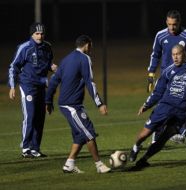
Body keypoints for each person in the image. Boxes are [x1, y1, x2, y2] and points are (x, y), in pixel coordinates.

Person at [45, 35, 111, 174]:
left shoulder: (66, 59)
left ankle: (69, 164)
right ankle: (99, 165)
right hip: (71, 105)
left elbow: (54, 80)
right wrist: (99, 104)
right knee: (89, 132)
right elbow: (90, 82)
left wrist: (48, 100)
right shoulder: (84, 58)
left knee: (80, 135)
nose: (91, 48)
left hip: (68, 104)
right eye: (91, 46)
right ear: (87, 45)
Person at [146, 10, 186, 149]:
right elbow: (155, 55)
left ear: (179, 23)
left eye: (175, 24)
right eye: (169, 24)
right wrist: (151, 75)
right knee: (162, 108)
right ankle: (155, 139)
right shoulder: (160, 35)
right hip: (167, 78)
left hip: (185, 76)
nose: (172, 27)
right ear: (166, 22)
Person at [8, 22, 57, 158]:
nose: (40, 36)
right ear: (32, 34)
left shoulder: (47, 47)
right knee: (30, 116)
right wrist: (12, 86)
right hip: (27, 85)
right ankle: (25, 148)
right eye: (37, 33)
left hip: (42, 86)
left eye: (42, 33)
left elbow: (47, 63)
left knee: (40, 118)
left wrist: (51, 66)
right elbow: (13, 67)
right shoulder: (24, 47)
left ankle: (35, 148)